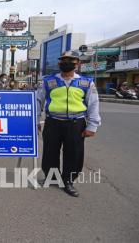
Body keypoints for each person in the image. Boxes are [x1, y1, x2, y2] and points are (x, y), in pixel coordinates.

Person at [37, 51, 101, 197]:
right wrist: (36, 121)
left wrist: (92, 126)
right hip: (53, 122)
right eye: (63, 60)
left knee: (74, 154)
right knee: (50, 153)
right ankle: (52, 178)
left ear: (77, 63)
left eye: (70, 60)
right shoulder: (48, 81)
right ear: (59, 63)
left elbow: (93, 104)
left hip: (76, 123)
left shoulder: (86, 82)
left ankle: (68, 181)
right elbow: (38, 101)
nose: (66, 62)